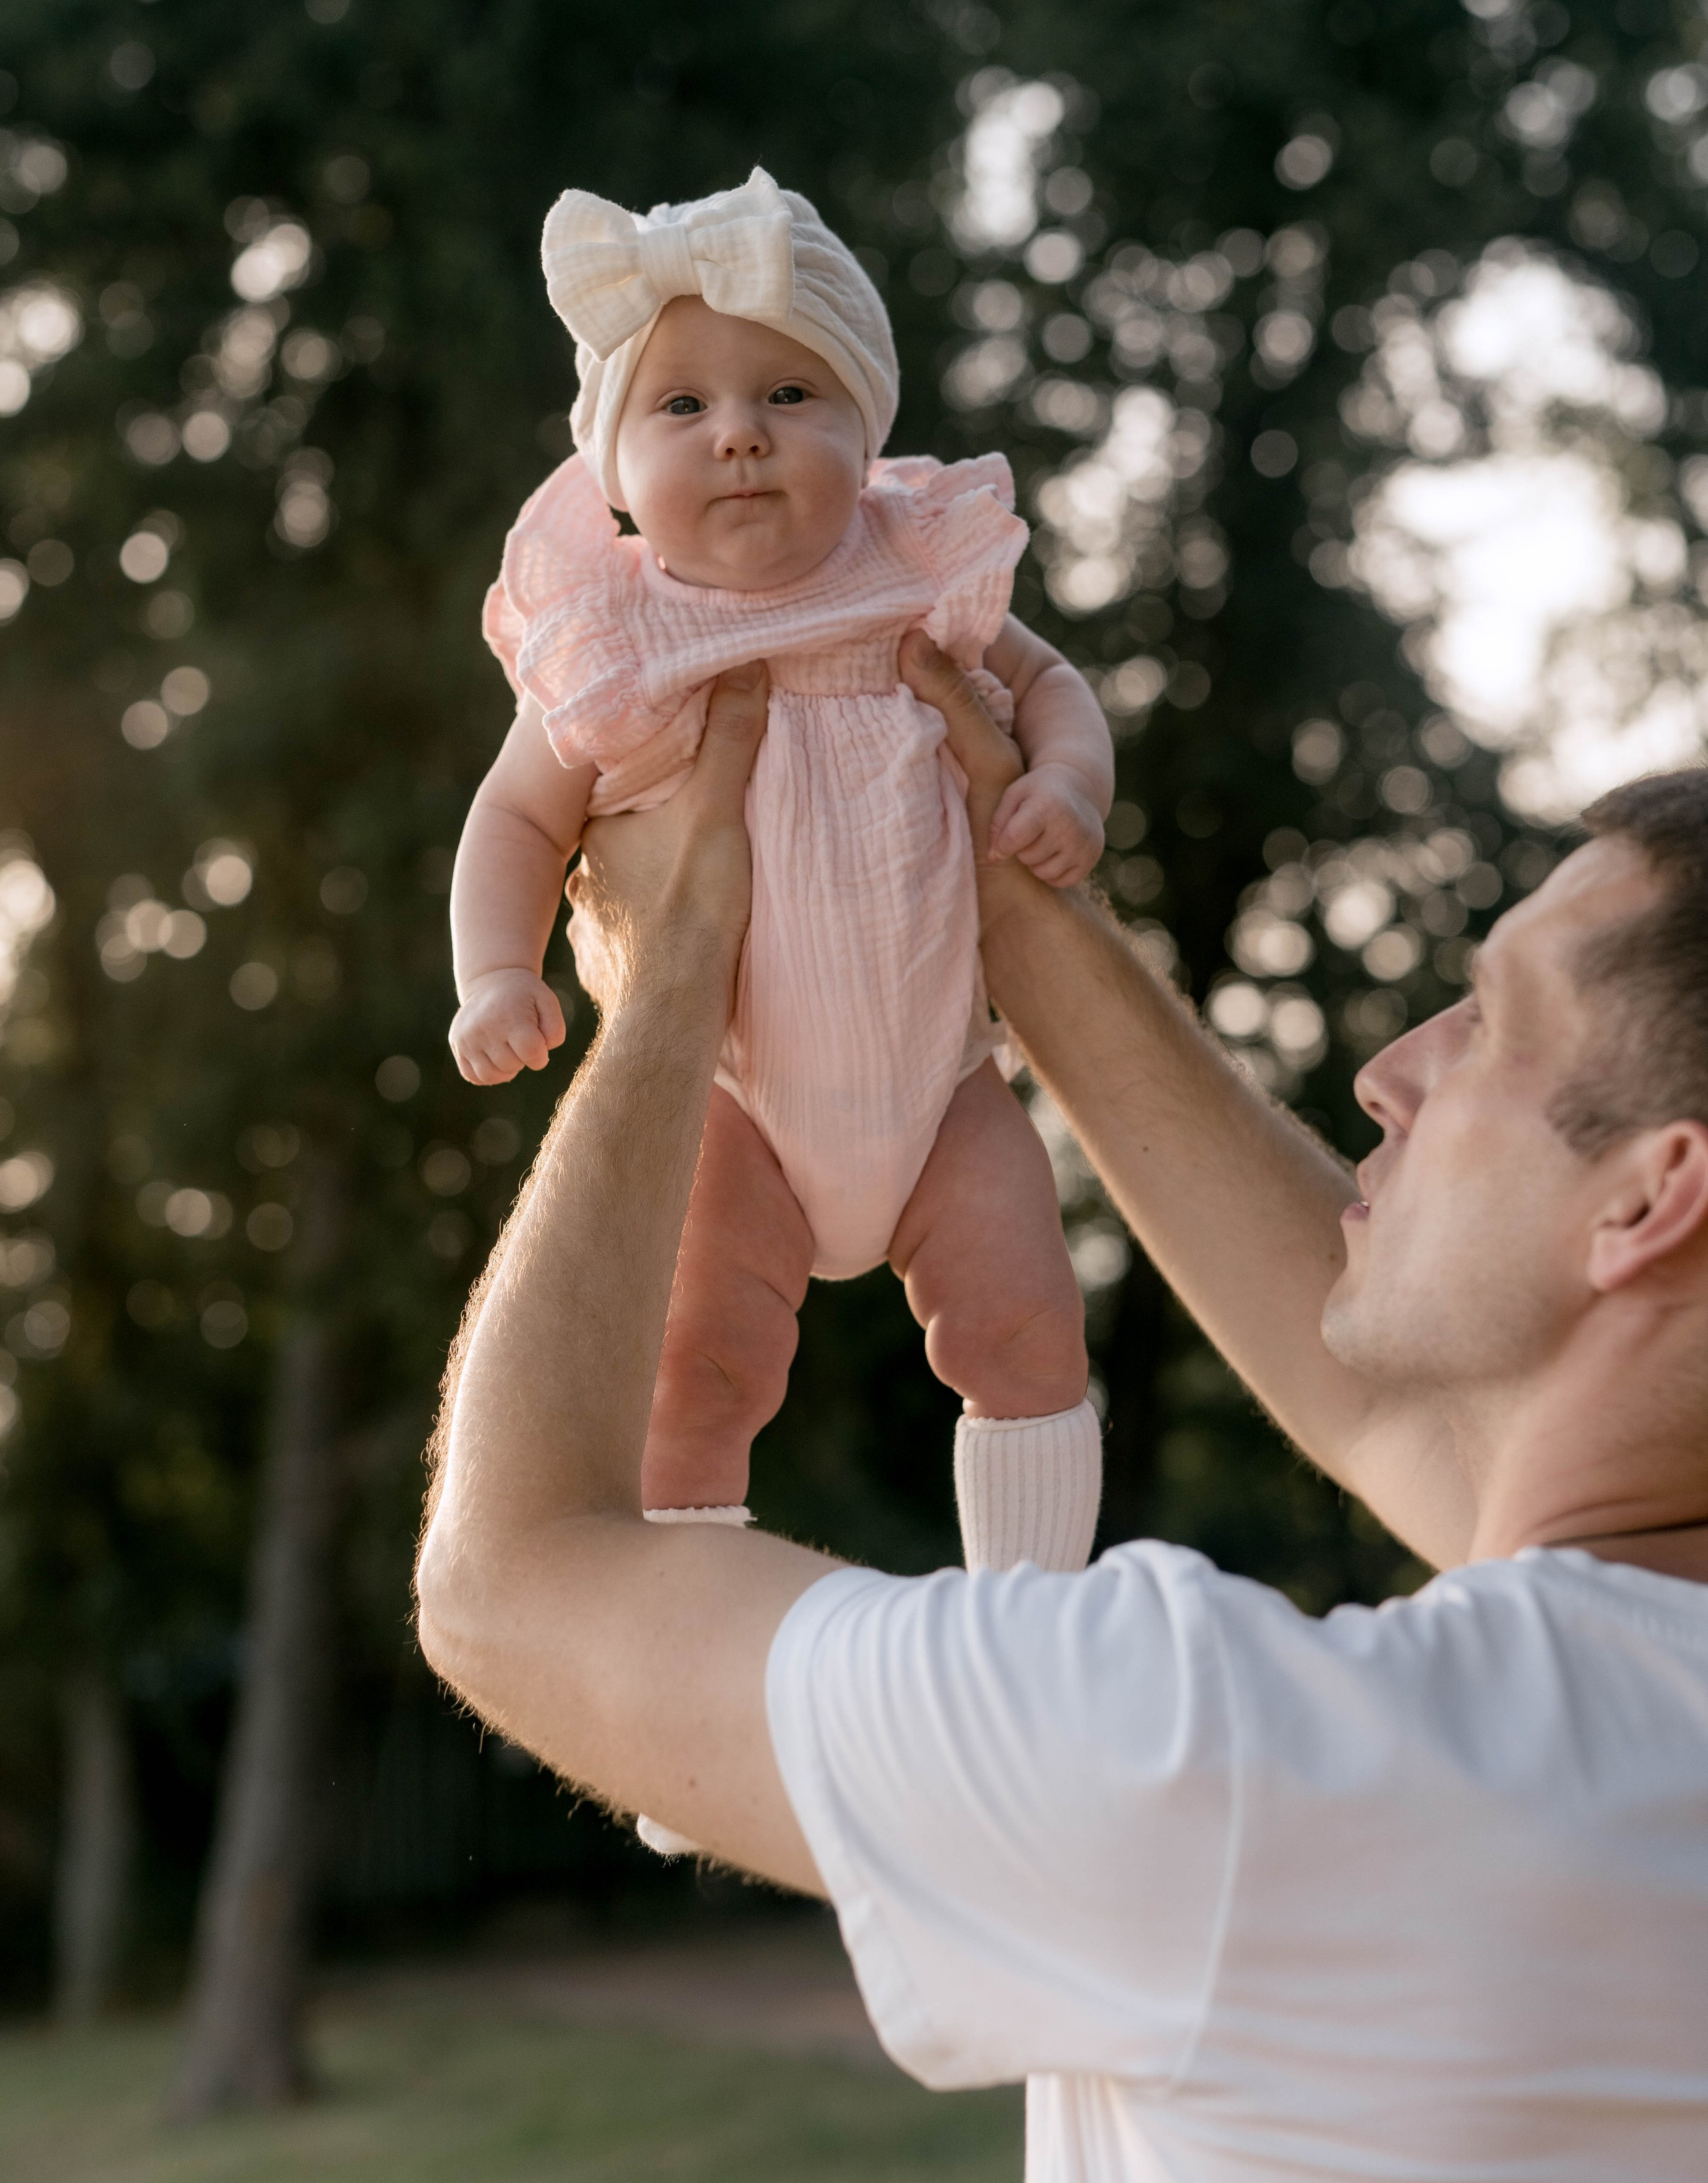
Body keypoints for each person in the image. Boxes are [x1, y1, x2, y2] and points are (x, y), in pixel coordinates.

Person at [416, 646, 1708, 2181]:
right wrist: (1002, 895)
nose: (1389, 1072)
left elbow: (513, 1582)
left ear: (1649, 1199)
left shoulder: (1236, 1773)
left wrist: (677, 962)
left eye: (1486, 1023)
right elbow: (1382, 1408)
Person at [448, 172, 1114, 1637]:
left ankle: (1034, 1631)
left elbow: (1053, 685)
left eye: (790, 394)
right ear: (615, 466)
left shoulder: (914, 571)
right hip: (729, 1094)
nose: (739, 432)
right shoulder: (619, 633)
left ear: (866, 431)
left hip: (942, 1079)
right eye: (681, 406)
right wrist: (495, 971)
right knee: (696, 1374)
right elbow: (515, 817)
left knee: (1025, 1328)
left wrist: (1065, 786)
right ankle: (686, 1649)